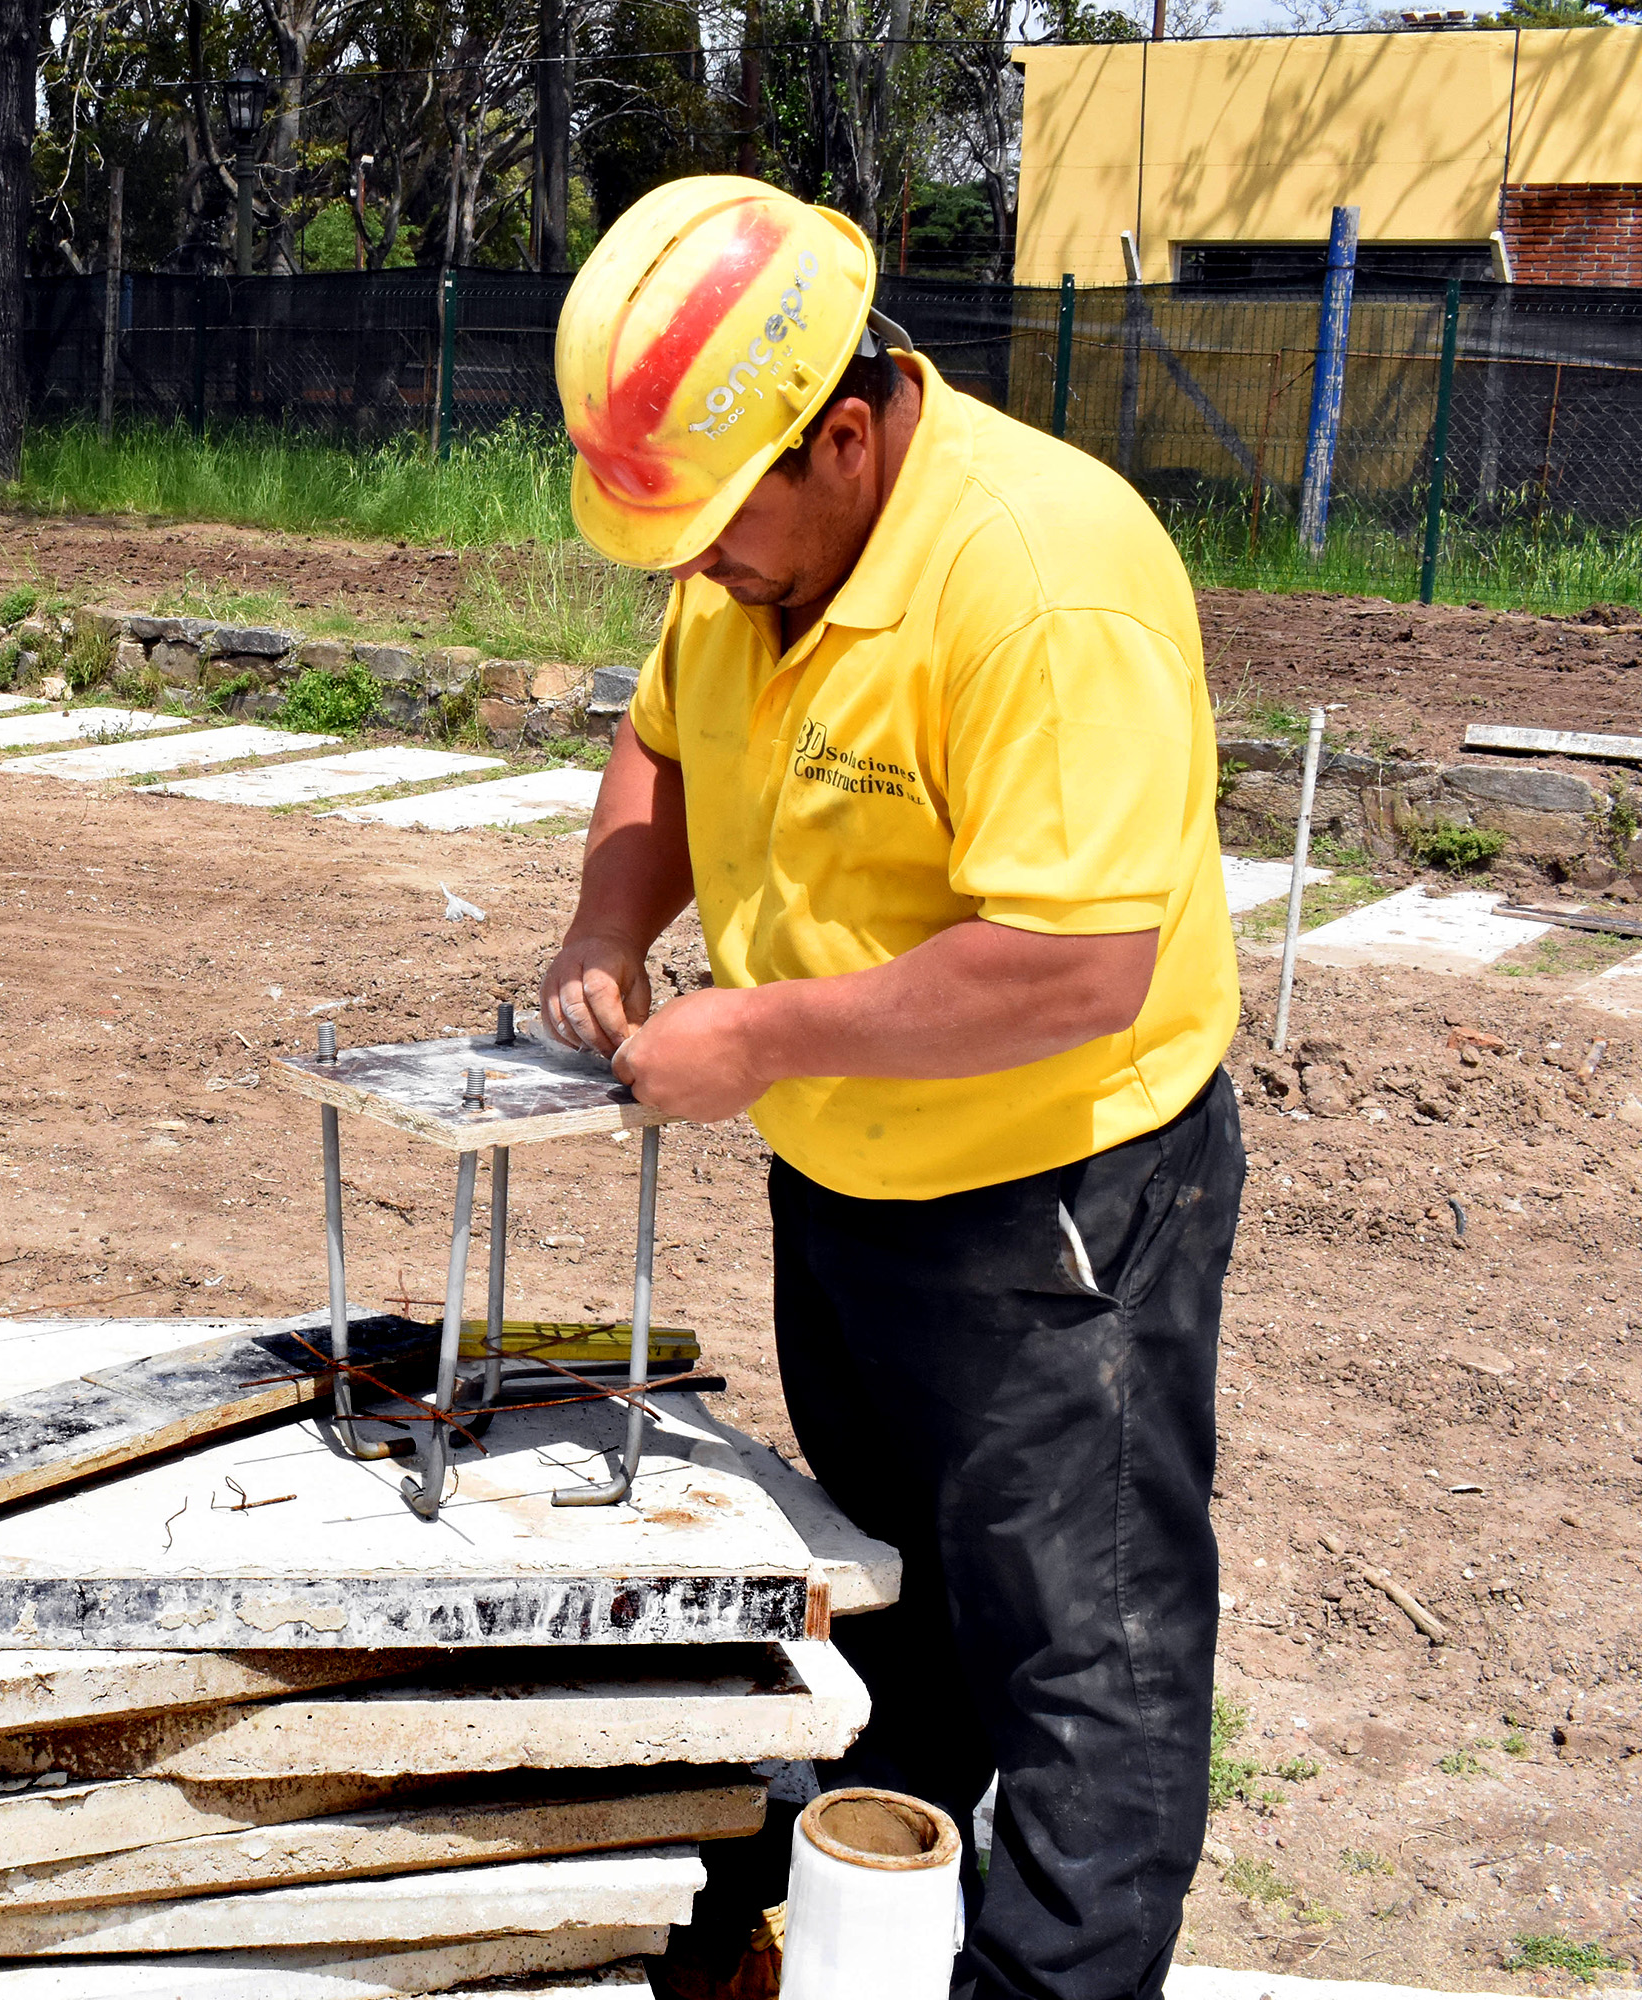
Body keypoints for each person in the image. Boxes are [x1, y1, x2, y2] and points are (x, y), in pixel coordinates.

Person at [538, 176, 1243, 2000]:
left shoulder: (1039, 583)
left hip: (1056, 1205)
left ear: (845, 434)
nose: (699, 576)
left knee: (1082, 1651)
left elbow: (1082, 967)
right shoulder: (756, 558)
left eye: (718, 534)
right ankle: (869, 1917)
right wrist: (611, 924)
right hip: (850, 1187)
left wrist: (755, 1037)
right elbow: (662, 742)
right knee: (902, 1594)